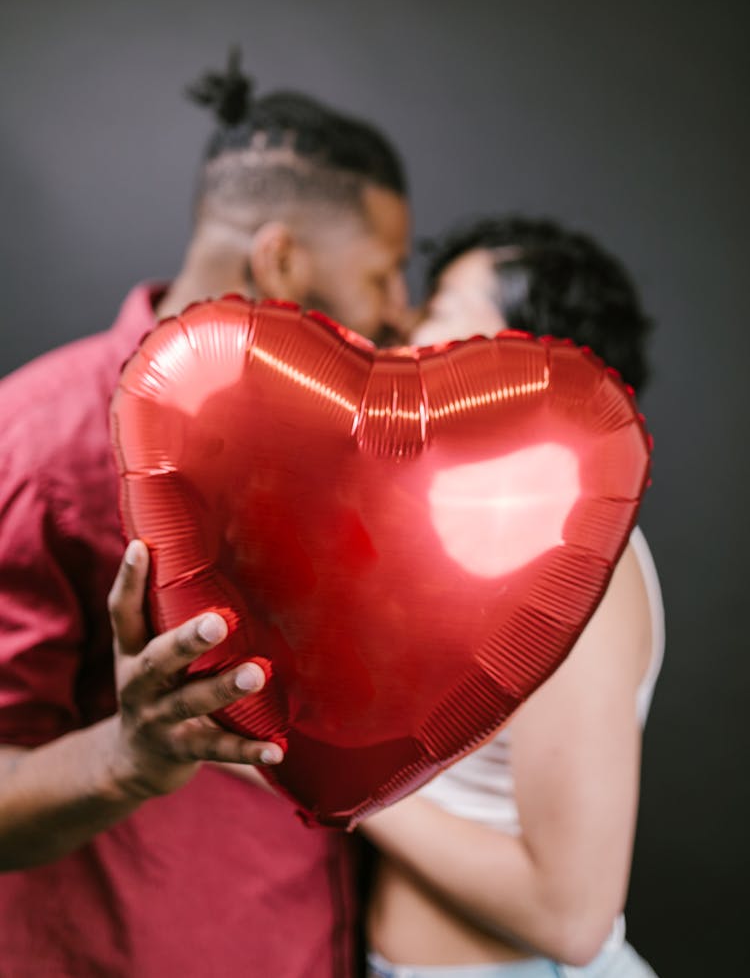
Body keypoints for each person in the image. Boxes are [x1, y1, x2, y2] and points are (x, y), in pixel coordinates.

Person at [0, 51, 411, 977]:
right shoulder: (35, 445)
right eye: (384, 275)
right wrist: (130, 754)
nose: (402, 310)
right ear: (280, 260)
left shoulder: (347, 445)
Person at [362, 216, 663, 978]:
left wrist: (319, 775)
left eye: (440, 308)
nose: (402, 328)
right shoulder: (469, 537)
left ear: (528, 362)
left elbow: (571, 915)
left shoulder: (577, 559)